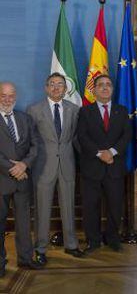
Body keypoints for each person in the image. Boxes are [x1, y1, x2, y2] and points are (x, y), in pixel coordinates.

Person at [27, 73, 84, 265]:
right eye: (52, 84)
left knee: (68, 205)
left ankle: (71, 244)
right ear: (46, 88)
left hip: (67, 164)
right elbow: (31, 141)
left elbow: (77, 138)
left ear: (65, 88)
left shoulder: (74, 110)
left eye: (60, 84)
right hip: (43, 166)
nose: (56, 88)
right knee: (42, 209)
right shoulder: (33, 110)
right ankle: (41, 248)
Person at [77, 74, 131, 253]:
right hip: (92, 167)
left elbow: (126, 136)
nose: (105, 88)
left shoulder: (122, 111)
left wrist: (112, 152)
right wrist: (100, 153)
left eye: (108, 85)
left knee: (115, 205)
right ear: (94, 90)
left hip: (114, 166)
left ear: (112, 89)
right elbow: (82, 137)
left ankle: (113, 238)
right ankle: (93, 241)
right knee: (91, 206)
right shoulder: (85, 111)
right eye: (101, 85)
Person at [0, 82, 43, 277]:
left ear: (15, 96)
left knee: (24, 223)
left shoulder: (25, 118)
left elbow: (35, 146)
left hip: (23, 179)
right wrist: (13, 168)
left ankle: (25, 259)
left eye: (11, 95)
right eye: (3, 95)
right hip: (2, 179)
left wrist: (24, 165)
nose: (7, 99)